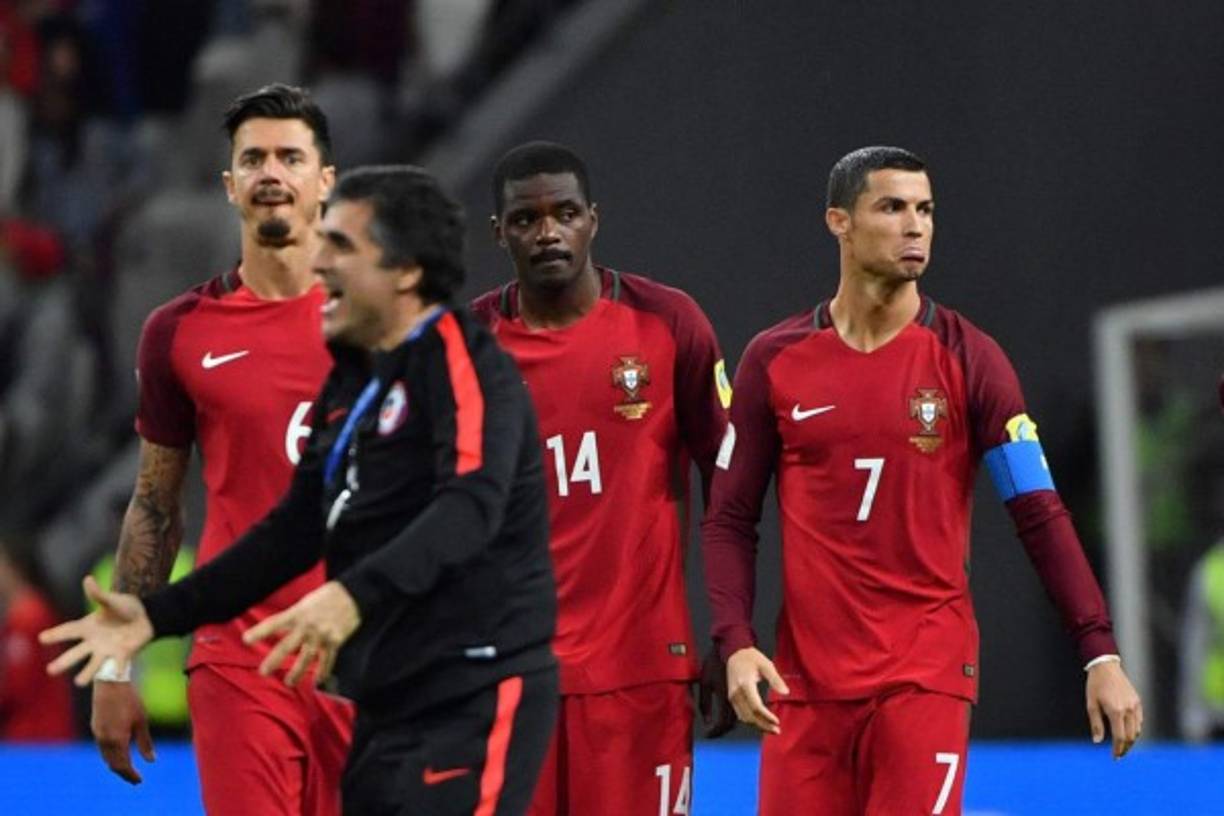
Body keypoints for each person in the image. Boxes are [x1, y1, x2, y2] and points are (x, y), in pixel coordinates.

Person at [43, 164, 559, 816]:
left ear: (404, 271)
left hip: (473, 687)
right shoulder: (354, 389)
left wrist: (348, 597)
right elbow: (291, 531)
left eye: (342, 246)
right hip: (385, 698)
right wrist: (156, 616)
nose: (320, 262)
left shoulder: (468, 366)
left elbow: (469, 506)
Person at [700, 146, 1144, 815]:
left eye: (926, 209)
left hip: (923, 677)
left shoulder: (971, 359)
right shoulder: (776, 360)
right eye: (893, 207)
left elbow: (1040, 512)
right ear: (839, 222)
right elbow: (731, 516)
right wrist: (735, 640)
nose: (917, 226)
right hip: (806, 687)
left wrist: (1098, 652)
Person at [88, 83, 354, 813]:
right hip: (244, 663)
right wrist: (115, 671)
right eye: (254, 158)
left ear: (324, 181)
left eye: (291, 157)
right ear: (230, 185)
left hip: (370, 664)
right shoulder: (181, 332)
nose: (272, 172)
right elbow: (154, 507)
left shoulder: (389, 325)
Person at [471, 141, 735, 816]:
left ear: (593, 218)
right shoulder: (462, 348)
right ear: (499, 231)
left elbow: (730, 491)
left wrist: (732, 633)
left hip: (640, 673)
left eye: (564, 212)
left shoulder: (669, 324)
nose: (548, 231)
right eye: (526, 219)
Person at [0, 535, 75, 741]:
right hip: (38, 732)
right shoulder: (27, 612)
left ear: (13, 568)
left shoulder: (29, 617)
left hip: (35, 735)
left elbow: (17, 685)